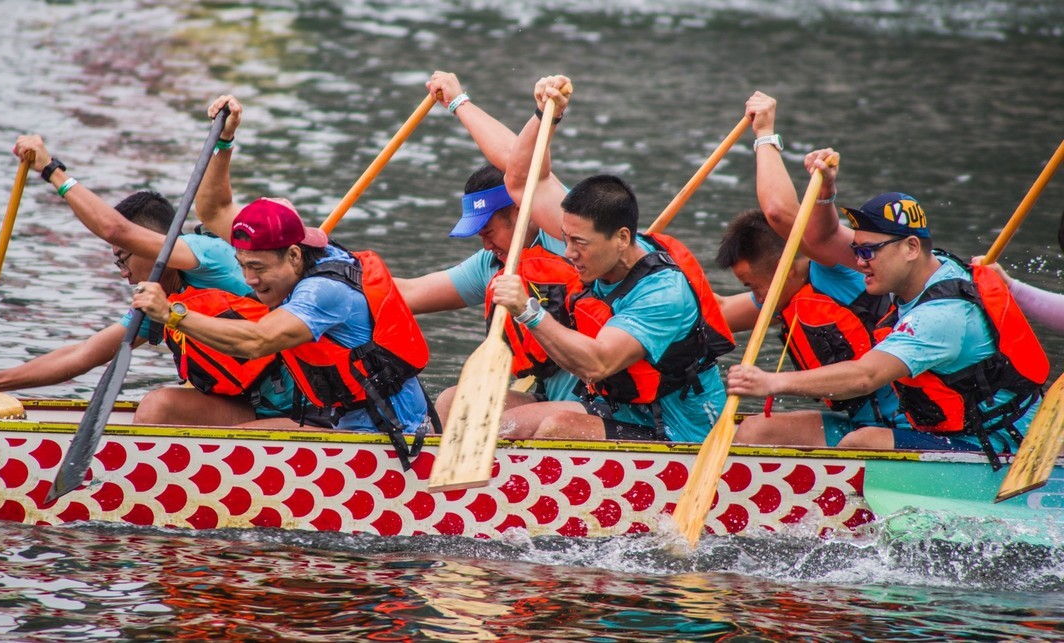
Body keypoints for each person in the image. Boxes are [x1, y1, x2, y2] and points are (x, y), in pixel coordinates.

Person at [132, 95, 433, 469]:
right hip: (344, 423)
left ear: (293, 255)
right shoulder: (291, 248)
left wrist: (172, 314)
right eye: (242, 265)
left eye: (258, 267)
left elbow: (259, 340)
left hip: (389, 440)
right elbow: (214, 211)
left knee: (234, 452)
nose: (249, 280)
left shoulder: (324, 291)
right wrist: (225, 141)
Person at [727, 149, 1050, 468]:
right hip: (910, 426)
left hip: (994, 447)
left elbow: (866, 376)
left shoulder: (942, 316)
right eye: (857, 250)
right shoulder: (919, 267)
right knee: (758, 431)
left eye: (869, 252)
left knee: (860, 445)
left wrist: (772, 383)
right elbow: (824, 239)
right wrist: (826, 191)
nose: (857, 262)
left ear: (910, 248)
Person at [0, 134, 292, 425]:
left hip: (301, 410)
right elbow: (80, 356)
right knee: (162, 407)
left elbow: (115, 229)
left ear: (147, 243)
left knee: (157, 407)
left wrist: (52, 170)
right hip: (255, 405)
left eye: (124, 256)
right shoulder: (159, 305)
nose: (122, 271)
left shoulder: (207, 254)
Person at [490, 75, 733, 442]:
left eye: (579, 244)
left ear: (622, 239)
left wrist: (528, 310)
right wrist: (544, 116)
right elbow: (522, 181)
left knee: (558, 428)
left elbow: (598, 362)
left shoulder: (662, 294)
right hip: (616, 408)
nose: (569, 253)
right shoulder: (592, 235)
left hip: (679, 427)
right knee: (482, 410)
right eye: (566, 239)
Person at [715, 92, 905, 448]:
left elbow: (779, 214)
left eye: (755, 286)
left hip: (911, 425)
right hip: (859, 422)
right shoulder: (781, 293)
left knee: (860, 441)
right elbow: (718, 312)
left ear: (787, 266)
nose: (757, 298)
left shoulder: (848, 270)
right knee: (754, 431)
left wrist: (765, 134)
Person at [394, 71, 583, 417]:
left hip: (601, 406)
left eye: (488, 231)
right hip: (550, 400)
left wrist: (457, 102)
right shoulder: (494, 265)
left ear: (518, 209)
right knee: (454, 402)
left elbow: (522, 169)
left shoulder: (568, 237)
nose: (484, 246)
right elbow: (404, 294)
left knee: (524, 422)